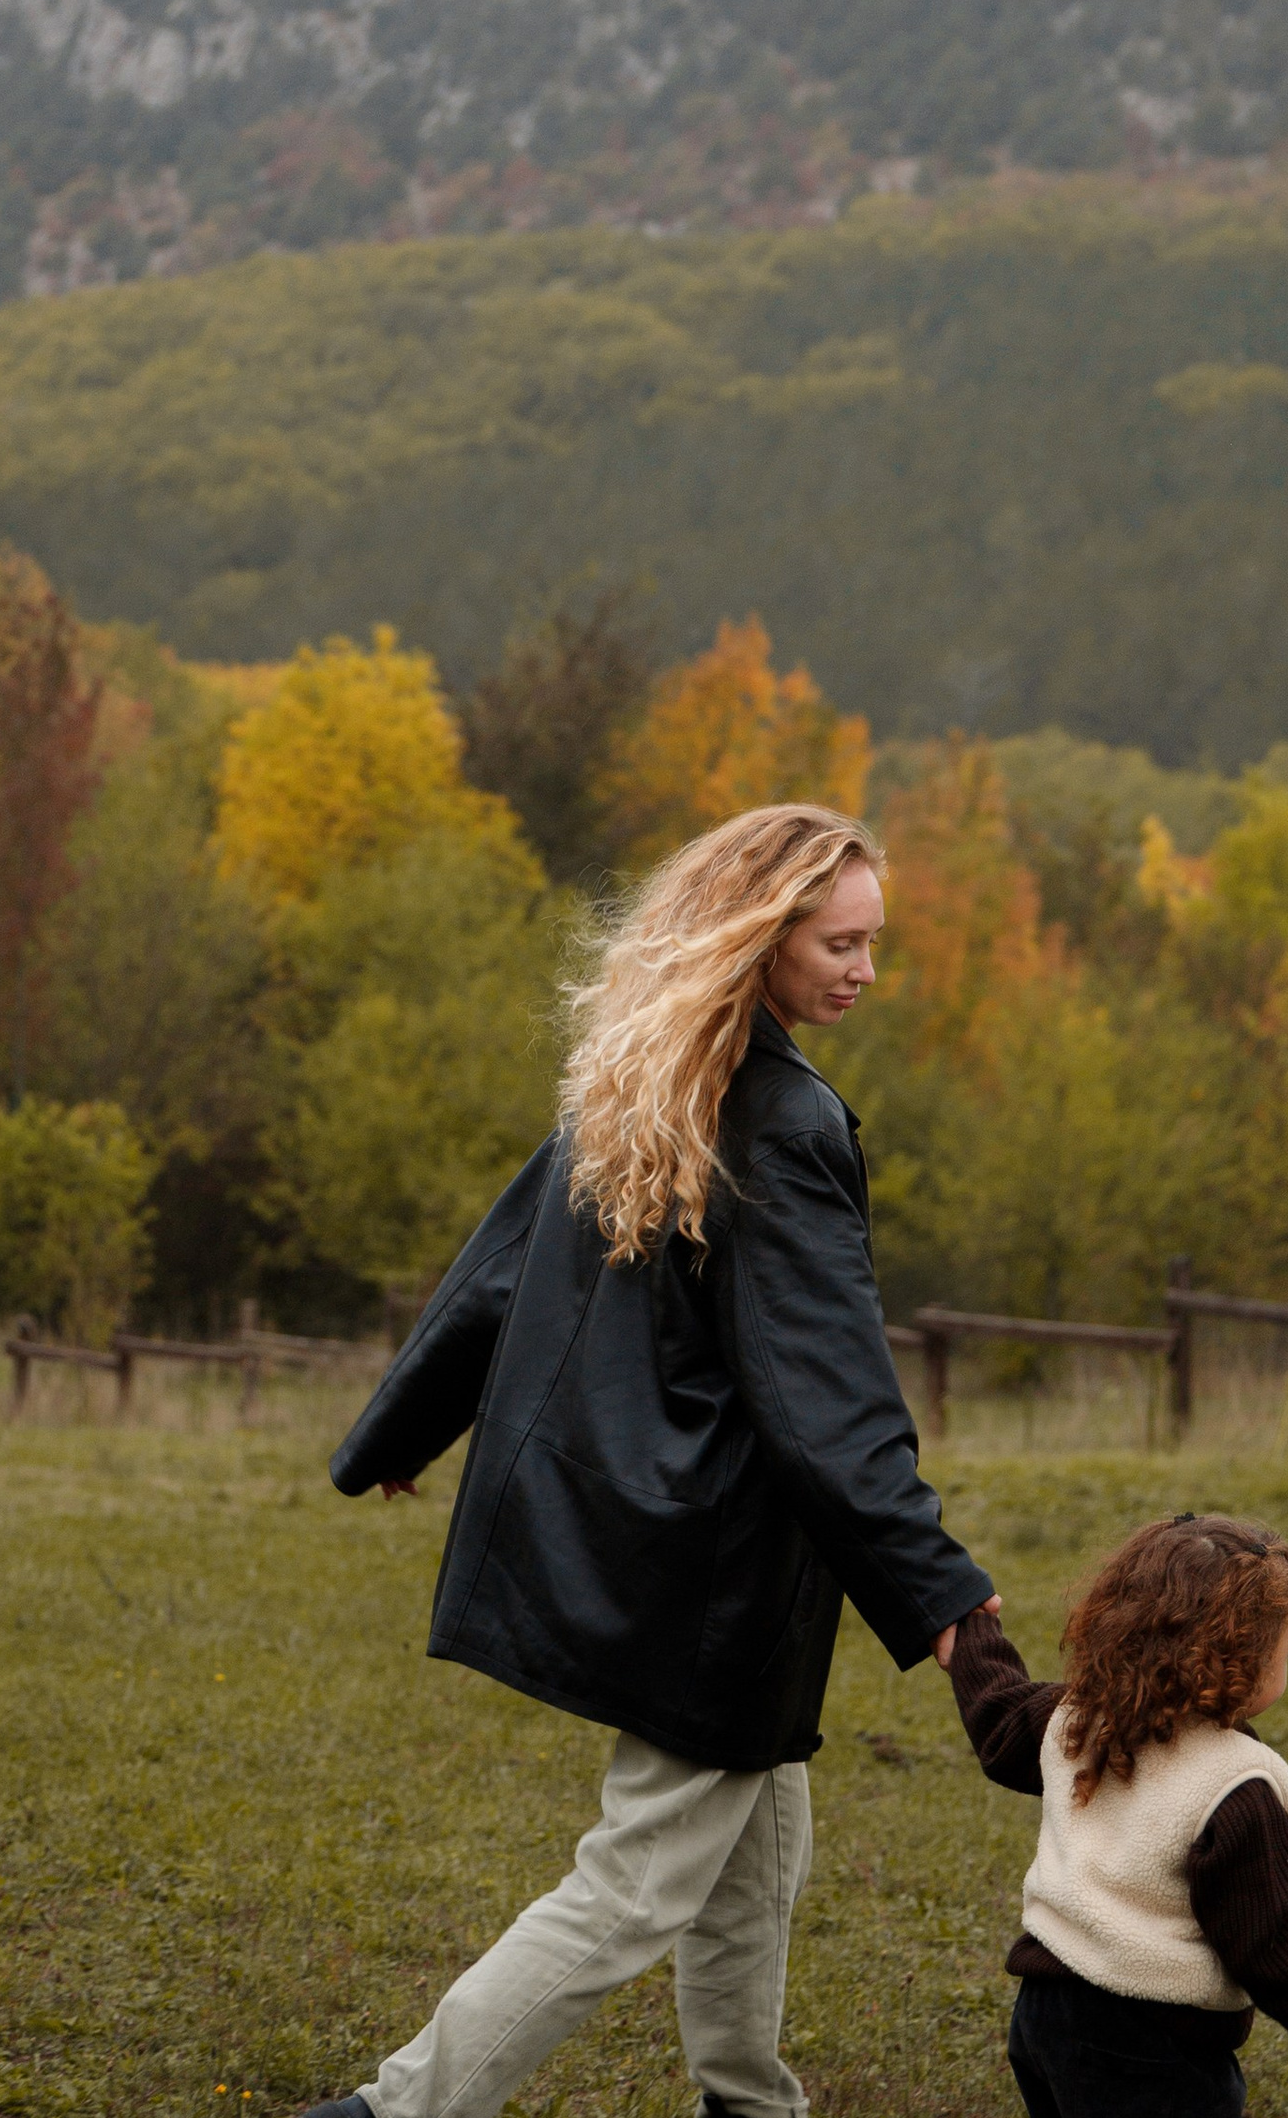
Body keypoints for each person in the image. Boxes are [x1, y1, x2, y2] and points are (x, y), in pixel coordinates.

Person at [301, 803, 998, 2118]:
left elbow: (495, 1273)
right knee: (634, 1886)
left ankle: (749, 2100)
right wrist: (944, 1597)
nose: (865, 972)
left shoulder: (653, 1065)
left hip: (696, 1550)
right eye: (842, 944)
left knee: (758, 1850)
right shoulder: (776, 1120)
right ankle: (393, 2112)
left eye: (874, 945)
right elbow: (829, 1399)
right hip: (718, 1567)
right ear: (762, 934)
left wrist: (398, 1430)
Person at [944, 1512, 1288, 2118]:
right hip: (1154, 2043)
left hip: (1044, 2011)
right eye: (1287, 1652)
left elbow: (998, 1713)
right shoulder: (1236, 1783)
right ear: (1238, 1660)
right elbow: (1265, 1930)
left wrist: (972, 1628)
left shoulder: (1082, 1721)